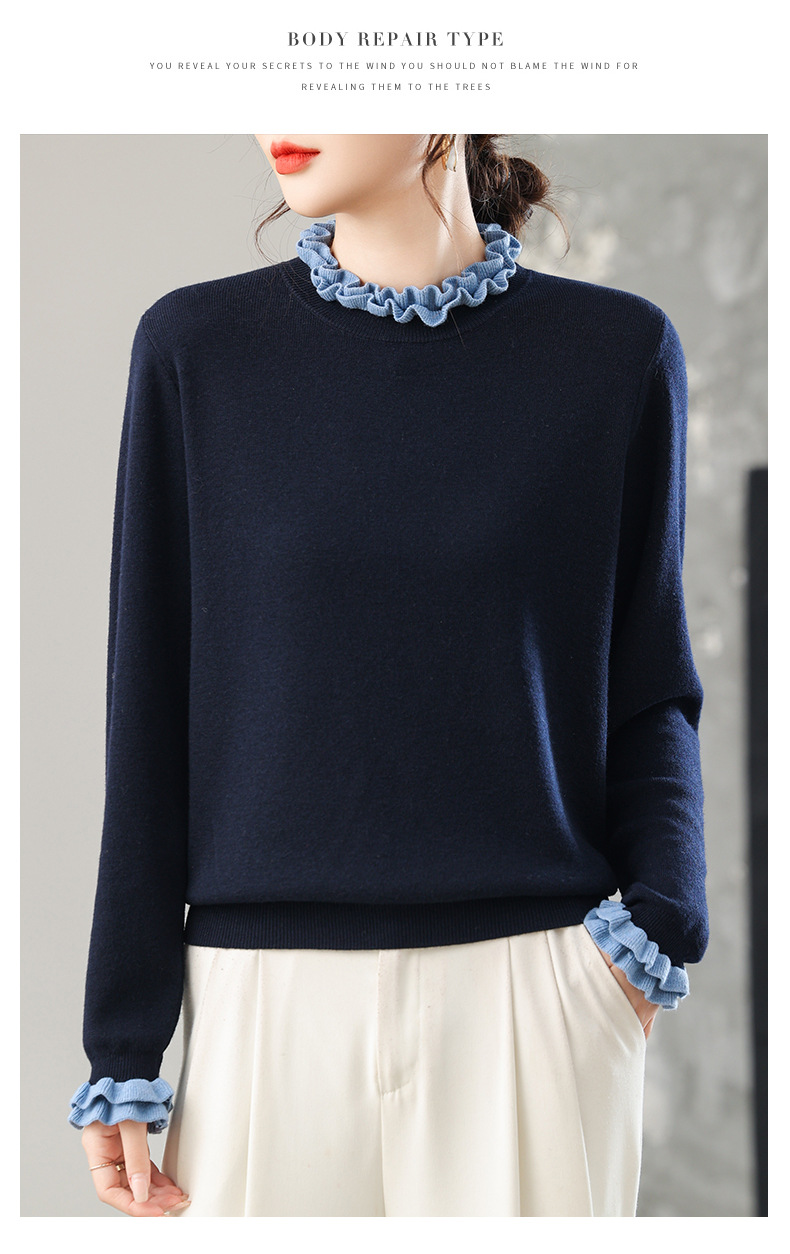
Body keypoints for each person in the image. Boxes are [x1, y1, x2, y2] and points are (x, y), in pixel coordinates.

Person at [69, 133, 708, 1217]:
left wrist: (656, 929)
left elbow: (648, 686)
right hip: (263, 1003)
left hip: (537, 991)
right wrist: (123, 1041)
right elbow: (148, 708)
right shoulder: (196, 350)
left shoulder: (615, 353)